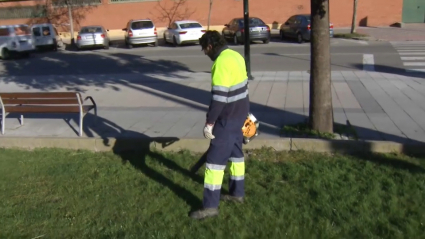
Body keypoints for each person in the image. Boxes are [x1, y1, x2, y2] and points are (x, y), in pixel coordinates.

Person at [189, 30, 250, 220]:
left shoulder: (221, 63)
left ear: (209, 47)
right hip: (240, 116)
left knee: (214, 165)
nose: (205, 54)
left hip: (226, 120)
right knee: (237, 157)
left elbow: (219, 99)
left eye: (204, 50)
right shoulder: (235, 56)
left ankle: (210, 207)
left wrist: (209, 123)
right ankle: (236, 194)